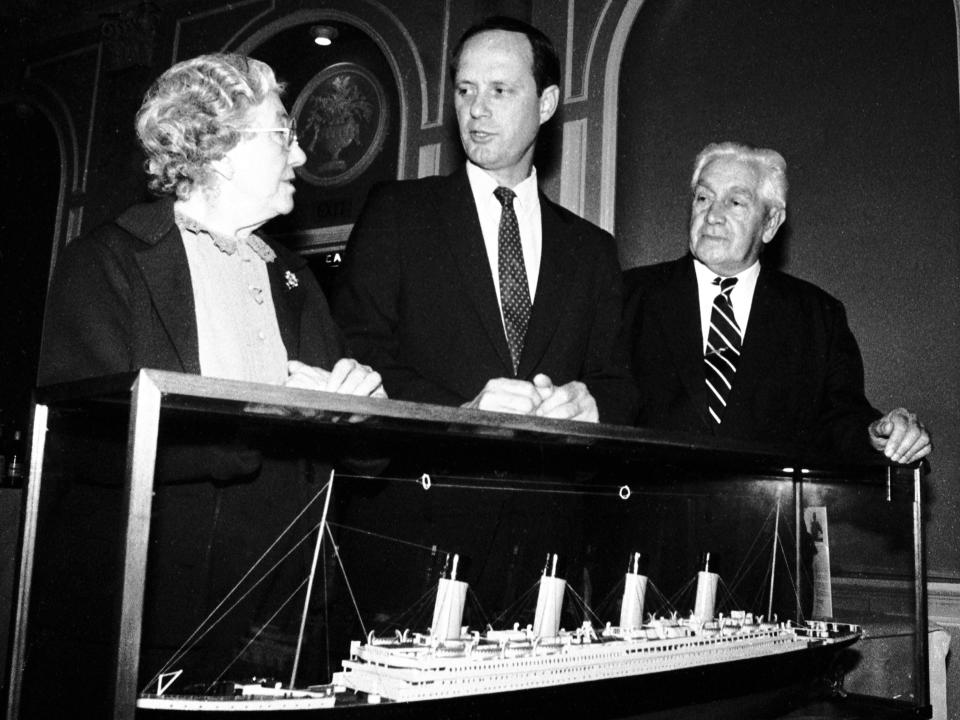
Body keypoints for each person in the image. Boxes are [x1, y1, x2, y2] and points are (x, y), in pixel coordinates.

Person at [29, 54, 385, 715]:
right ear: (219, 147)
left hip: (285, 615)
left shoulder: (293, 278)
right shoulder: (109, 264)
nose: (303, 156)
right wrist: (257, 428)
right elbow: (86, 442)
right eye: (285, 133)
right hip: (160, 611)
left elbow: (356, 457)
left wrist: (363, 413)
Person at [333, 16, 636, 425]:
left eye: (499, 90)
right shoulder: (398, 214)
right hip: (427, 477)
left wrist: (592, 404)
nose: (476, 109)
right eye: (465, 90)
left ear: (546, 104)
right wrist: (459, 417)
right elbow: (356, 353)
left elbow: (619, 384)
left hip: (548, 484)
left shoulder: (591, 248)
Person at [623, 141, 931, 464]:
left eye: (735, 202)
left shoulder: (818, 317)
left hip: (769, 512)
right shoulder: (629, 296)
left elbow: (842, 420)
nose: (713, 215)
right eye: (703, 197)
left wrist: (880, 435)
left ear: (770, 223)